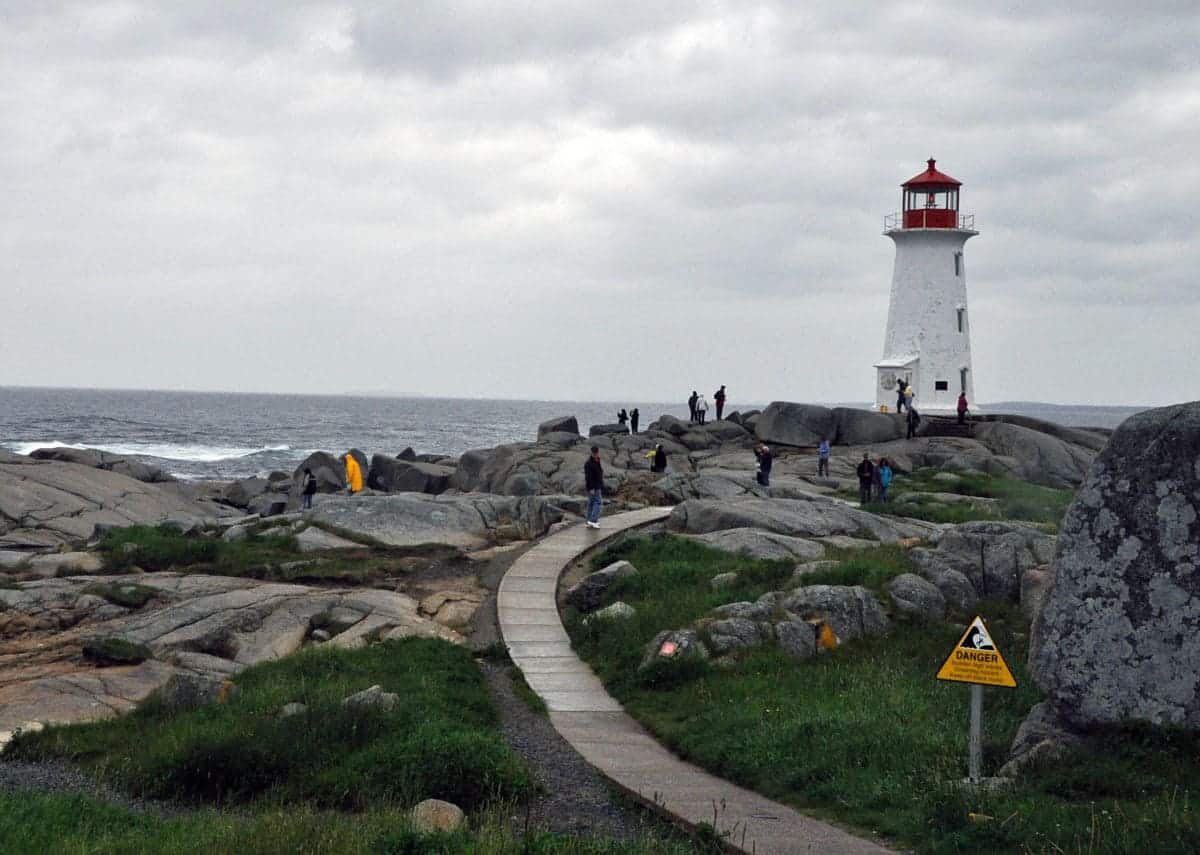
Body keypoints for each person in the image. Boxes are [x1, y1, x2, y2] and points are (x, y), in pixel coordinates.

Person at [584, 445, 604, 529]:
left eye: (596, 453)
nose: (595, 454)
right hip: (593, 486)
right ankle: (593, 521)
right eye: (594, 453)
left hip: (597, 485)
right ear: (591, 452)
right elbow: (588, 477)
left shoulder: (597, 460)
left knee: (591, 503)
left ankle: (589, 521)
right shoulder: (588, 463)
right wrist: (591, 488)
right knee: (598, 503)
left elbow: (600, 472)